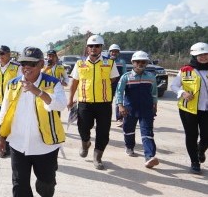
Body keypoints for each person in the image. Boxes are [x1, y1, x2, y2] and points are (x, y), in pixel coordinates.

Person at [0, 46, 66, 197]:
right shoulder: (12, 84)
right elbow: (4, 110)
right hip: (18, 144)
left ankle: (48, 195)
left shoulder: (52, 83)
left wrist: (38, 92)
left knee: (45, 182)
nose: (26, 67)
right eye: (23, 63)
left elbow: (60, 104)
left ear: (41, 64)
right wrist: (1, 136)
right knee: (19, 184)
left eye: (31, 64)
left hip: (45, 145)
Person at [67, 35, 119, 170]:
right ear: (87, 48)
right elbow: (74, 82)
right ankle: (85, 143)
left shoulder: (110, 63)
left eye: (97, 46)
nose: (94, 48)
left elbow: (113, 80)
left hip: (104, 104)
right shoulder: (80, 64)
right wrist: (70, 98)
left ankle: (97, 157)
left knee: (103, 132)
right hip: (85, 102)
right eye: (91, 46)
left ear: (101, 48)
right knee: (83, 128)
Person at [115, 51, 159, 167]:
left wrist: (155, 105)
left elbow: (154, 93)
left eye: (143, 62)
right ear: (133, 62)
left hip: (146, 109)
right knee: (128, 130)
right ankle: (129, 147)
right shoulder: (126, 77)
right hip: (129, 109)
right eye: (138, 61)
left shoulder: (151, 77)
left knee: (147, 132)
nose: (140, 64)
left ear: (147, 63)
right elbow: (119, 92)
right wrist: (120, 105)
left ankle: (149, 157)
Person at [170, 42, 208, 174]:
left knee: (206, 136)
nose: (203, 57)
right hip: (188, 109)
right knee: (191, 135)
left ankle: (201, 149)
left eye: (206, 54)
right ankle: (194, 162)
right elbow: (174, 86)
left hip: (206, 109)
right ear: (194, 55)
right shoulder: (185, 70)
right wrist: (182, 93)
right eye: (200, 55)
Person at [108, 44, 127, 126]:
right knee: (108, 102)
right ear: (109, 52)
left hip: (118, 85)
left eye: (116, 52)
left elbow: (125, 74)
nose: (114, 53)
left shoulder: (122, 62)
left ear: (118, 53)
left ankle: (119, 119)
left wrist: (125, 84)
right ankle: (106, 117)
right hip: (108, 85)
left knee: (118, 102)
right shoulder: (106, 61)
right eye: (112, 51)